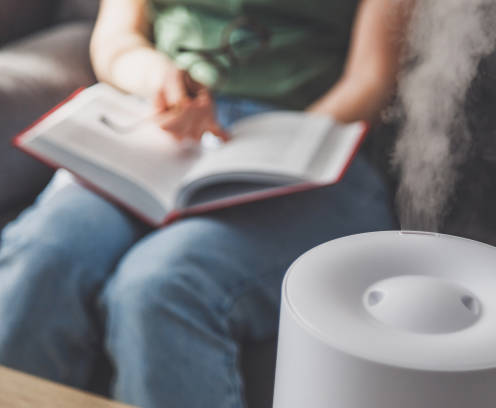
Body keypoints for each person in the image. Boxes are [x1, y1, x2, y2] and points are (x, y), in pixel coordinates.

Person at [0, 0, 409, 406]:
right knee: (46, 253)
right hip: (159, 130)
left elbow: (370, 80)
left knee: (161, 286)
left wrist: (285, 149)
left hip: (313, 145)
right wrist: (157, 78)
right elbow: (116, 40)